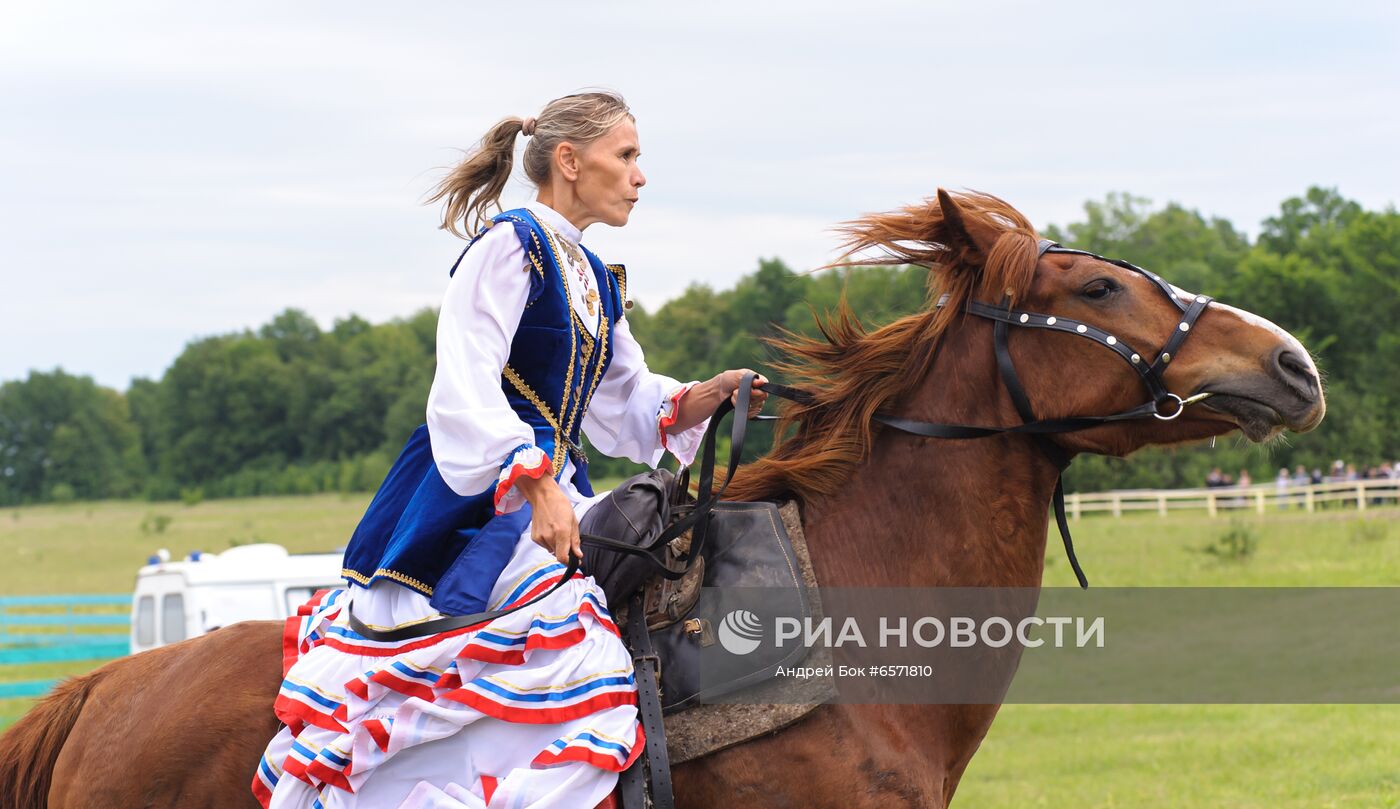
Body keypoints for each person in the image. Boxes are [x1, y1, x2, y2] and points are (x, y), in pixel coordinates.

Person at [253, 91, 769, 809]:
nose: (639, 176)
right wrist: (532, 481)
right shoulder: (510, 246)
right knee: (560, 647)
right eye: (626, 156)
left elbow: (620, 401)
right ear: (569, 160)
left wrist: (697, 399)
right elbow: (462, 384)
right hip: (478, 496)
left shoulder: (590, 276)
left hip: (550, 487)